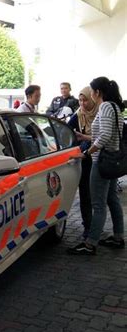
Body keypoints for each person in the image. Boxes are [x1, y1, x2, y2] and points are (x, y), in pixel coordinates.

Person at [68, 77, 125, 255]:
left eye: (91, 92)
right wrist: (85, 138)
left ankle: (90, 243)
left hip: (102, 162)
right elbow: (105, 134)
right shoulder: (115, 107)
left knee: (98, 204)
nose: (90, 95)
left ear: (97, 92)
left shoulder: (106, 106)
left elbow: (105, 135)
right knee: (112, 200)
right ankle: (118, 237)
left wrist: (87, 152)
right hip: (112, 160)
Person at [68, 86, 99, 238]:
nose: (82, 103)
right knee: (85, 192)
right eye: (80, 100)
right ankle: (88, 227)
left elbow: (104, 138)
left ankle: (100, 230)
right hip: (85, 160)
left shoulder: (101, 113)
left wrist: (84, 137)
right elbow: (66, 130)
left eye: (85, 99)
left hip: (100, 159)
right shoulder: (79, 114)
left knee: (101, 196)